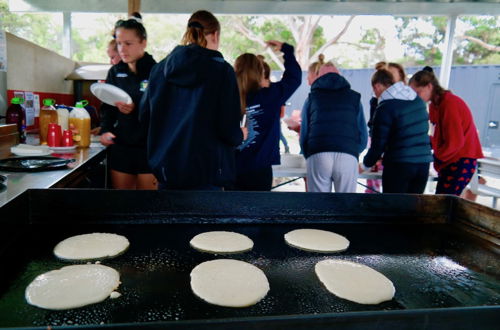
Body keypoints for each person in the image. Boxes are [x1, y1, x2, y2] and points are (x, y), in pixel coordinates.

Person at [140, 10, 243, 190]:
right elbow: (227, 128)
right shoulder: (222, 71)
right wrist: (240, 134)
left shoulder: (158, 70)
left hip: (167, 172)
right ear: (216, 35)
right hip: (207, 174)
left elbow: (145, 117)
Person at [233, 40, 301, 191]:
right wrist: (287, 50)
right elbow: (294, 78)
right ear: (260, 72)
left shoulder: (227, 98)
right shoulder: (271, 96)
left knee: (231, 213)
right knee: (259, 213)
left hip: (232, 169)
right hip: (260, 169)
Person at [99, 13, 157, 190]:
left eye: (128, 43)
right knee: (122, 204)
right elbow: (107, 107)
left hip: (149, 148)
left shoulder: (157, 71)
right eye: (119, 43)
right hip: (121, 147)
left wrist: (137, 108)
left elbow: (164, 111)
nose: (122, 49)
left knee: (148, 207)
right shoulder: (115, 72)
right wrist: (105, 130)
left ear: (143, 43)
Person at [409, 66, 483, 196]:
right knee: (442, 203)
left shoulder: (449, 103)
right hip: (451, 160)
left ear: (429, 86)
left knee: (444, 205)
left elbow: (455, 142)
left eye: (418, 92)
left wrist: (435, 157)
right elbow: (439, 137)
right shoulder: (435, 105)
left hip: (461, 160)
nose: (416, 98)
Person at [300, 60, 368, 193]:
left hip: (318, 152)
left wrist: (310, 155)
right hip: (348, 155)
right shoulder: (354, 98)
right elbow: (363, 136)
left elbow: (304, 134)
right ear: (340, 76)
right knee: (345, 206)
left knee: (319, 207)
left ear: (319, 77)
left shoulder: (311, 98)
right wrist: (353, 151)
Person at [361, 69, 432, 193]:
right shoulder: (417, 101)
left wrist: (364, 165)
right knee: (414, 208)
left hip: (399, 164)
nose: (375, 94)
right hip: (423, 163)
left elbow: (378, 144)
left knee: (393, 208)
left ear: (377, 86)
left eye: (374, 90)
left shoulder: (385, 107)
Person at [365, 61, 407, 193]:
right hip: (379, 141)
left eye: (393, 75)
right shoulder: (377, 97)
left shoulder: (409, 97)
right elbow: (373, 122)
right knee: (374, 181)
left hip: (398, 151)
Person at [257, 55, 290, 154]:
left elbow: (282, 113)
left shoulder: (274, 93)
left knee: (278, 135)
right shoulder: (250, 95)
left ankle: (286, 146)